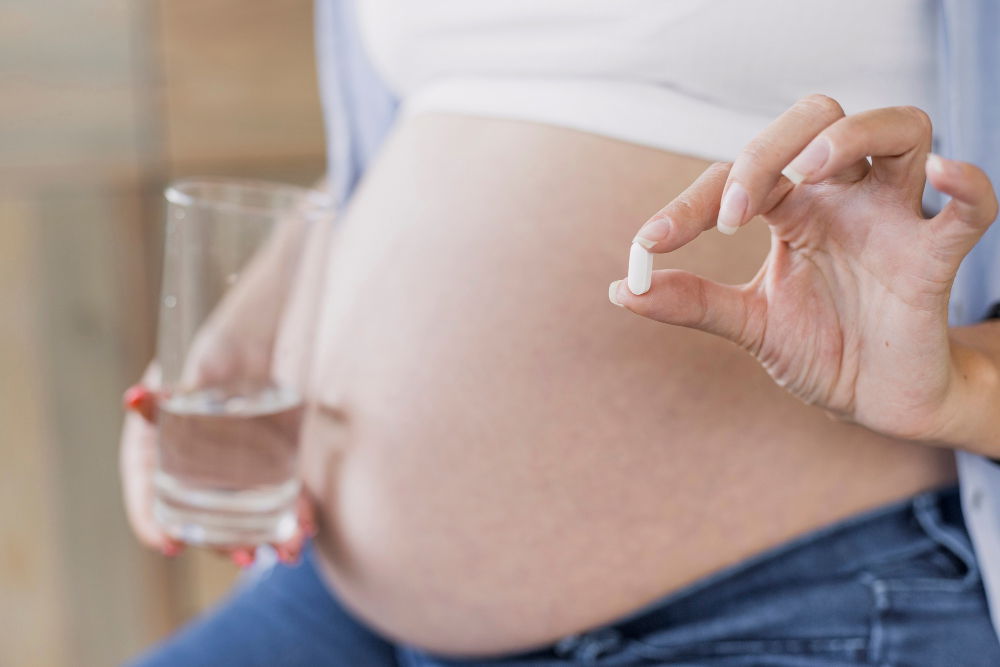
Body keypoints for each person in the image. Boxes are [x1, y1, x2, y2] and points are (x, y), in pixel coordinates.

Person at [127, 1, 1000, 664]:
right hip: (344, 591)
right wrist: (260, 318)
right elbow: (415, 130)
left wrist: (968, 383)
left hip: (791, 591)